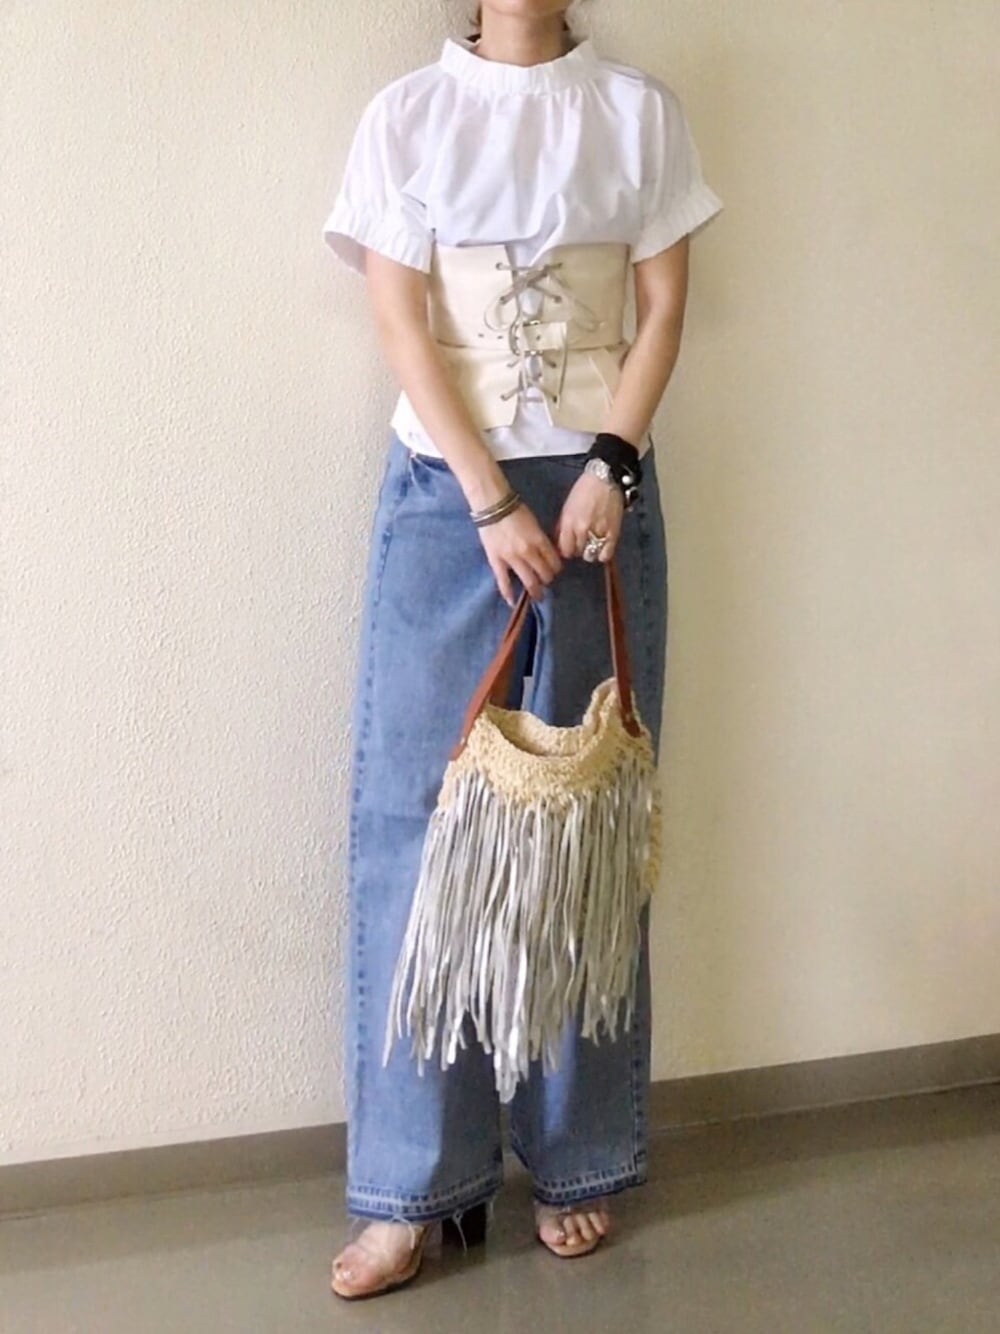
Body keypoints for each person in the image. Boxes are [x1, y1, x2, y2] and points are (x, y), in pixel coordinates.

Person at [322, 0, 723, 1301]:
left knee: (585, 829)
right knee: (416, 827)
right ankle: (411, 1188)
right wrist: (491, 497)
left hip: (602, 495)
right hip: (449, 492)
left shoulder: (638, 113)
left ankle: (579, 1155)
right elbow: (398, 316)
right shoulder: (409, 115)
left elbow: (664, 308)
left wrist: (609, 462)